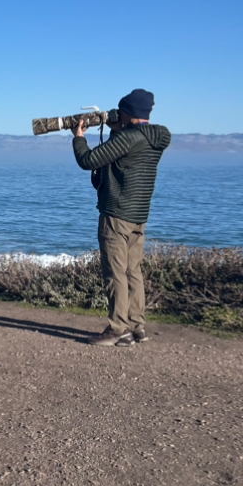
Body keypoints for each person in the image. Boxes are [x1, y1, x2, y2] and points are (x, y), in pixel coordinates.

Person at [72, 89, 171, 346]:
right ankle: (137, 327)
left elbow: (88, 160)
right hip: (139, 215)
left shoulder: (128, 138)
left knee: (115, 273)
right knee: (132, 271)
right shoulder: (158, 137)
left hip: (116, 214)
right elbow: (125, 156)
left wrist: (78, 137)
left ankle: (118, 330)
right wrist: (117, 130)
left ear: (127, 112)